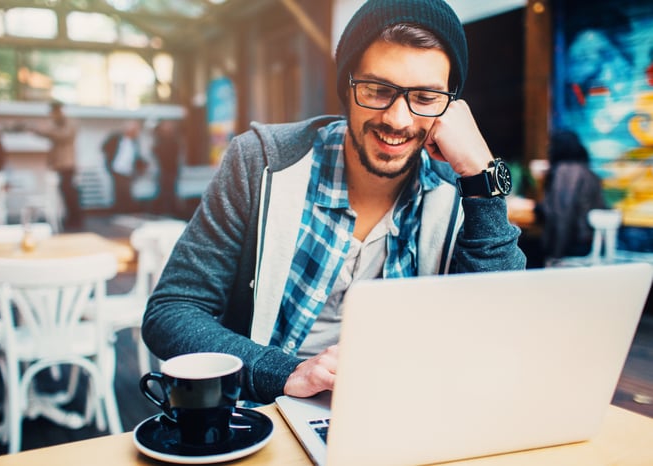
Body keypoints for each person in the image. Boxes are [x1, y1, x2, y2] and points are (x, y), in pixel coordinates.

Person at [142, 0, 526, 405]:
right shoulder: (261, 162)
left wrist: (482, 180)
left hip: (405, 412)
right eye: (378, 90)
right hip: (268, 413)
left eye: (426, 98)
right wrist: (285, 372)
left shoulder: (460, 191)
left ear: (450, 106)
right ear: (347, 87)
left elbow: (499, 331)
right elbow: (171, 312)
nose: (398, 119)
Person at [537, 129, 606, 260]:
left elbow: (561, 214)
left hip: (572, 244)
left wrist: (555, 254)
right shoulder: (587, 171)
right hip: (588, 243)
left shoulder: (565, 172)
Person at [30, 101, 83, 229]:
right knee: (64, 191)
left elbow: (63, 136)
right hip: (59, 164)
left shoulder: (69, 123)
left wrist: (45, 131)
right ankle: (70, 218)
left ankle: (76, 219)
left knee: (69, 191)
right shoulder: (57, 125)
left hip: (67, 164)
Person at [101, 120, 148, 213]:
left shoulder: (134, 142)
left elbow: (136, 156)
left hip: (128, 171)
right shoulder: (116, 138)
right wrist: (109, 158)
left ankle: (126, 212)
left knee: (126, 193)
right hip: (117, 169)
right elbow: (104, 147)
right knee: (120, 192)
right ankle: (120, 212)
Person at [152, 120, 181, 215]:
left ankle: (170, 211)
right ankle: (165, 210)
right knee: (164, 191)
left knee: (170, 191)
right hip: (164, 169)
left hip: (171, 169)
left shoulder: (173, 140)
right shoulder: (160, 140)